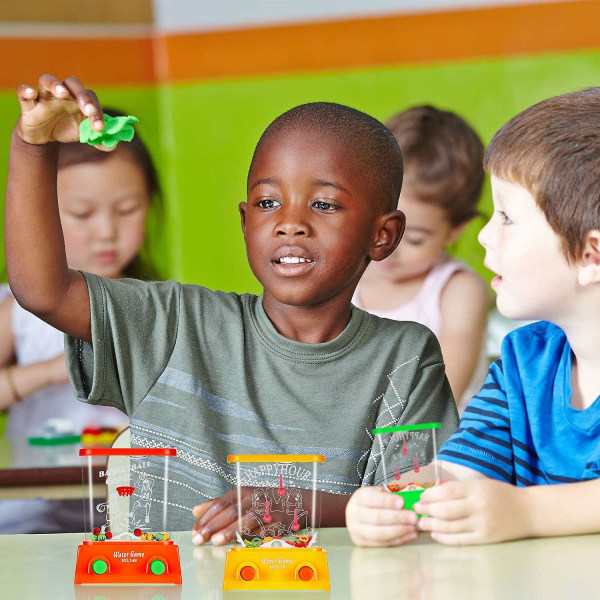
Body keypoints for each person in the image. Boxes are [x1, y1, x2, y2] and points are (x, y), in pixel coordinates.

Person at [5, 74, 459, 540]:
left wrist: (299, 507)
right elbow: (45, 292)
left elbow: (416, 503)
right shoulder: (176, 323)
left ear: (383, 235)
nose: (290, 224)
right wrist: (33, 146)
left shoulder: (404, 358)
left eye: (323, 204)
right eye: (268, 202)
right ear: (246, 221)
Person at [346, 88, 600, 547]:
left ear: (590, 253)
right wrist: (393, 501)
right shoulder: (524, 362)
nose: (483, 236)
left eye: (506, 216)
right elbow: (457, 470)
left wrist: (526, 511)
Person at [0, 110, 162, 534]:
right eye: (82, 214)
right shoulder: (18, 310)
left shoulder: (159, 304)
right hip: (33, 512)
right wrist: (54, 371)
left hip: (131, 512)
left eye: (127, 209)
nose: (107, 231)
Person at [353, 106, 489, 411]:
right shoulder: (345, 276)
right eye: (377, 226)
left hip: (438, 446)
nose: (389, 245)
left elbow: (442, 397)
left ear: (456, 229)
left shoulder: (458, 291)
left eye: (413, 238)